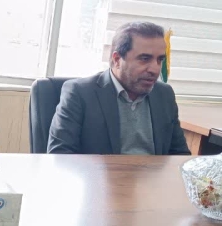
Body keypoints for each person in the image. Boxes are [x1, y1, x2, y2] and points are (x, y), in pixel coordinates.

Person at [48, 21, 190, 155]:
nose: (155, 69)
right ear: (117, 59)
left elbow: (179, 155)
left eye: (160, 60)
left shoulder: (164, 94)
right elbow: (60, 155)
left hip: (155, 173)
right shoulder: (80, 93)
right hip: (99, 173)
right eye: (144, 59)